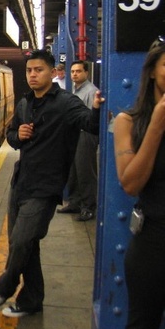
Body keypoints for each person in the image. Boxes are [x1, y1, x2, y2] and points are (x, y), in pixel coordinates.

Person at [0, 49, 103, 318]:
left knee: (21, 240)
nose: (33, 75)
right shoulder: (25, 103)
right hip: (21, 183)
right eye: (29, 70)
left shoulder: (66, 103)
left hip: (45, 187)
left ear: (52, 72)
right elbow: (10, 137)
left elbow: (89, 124)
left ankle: (5, 287)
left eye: (38, 70)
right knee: (28, 246)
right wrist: (19, 134)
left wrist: (96, 108)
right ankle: (31, 301)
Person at [113, 36, 165, 329]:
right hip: (154, 245)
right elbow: (130, 183)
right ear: (153, 72)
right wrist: (157, 124)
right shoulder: (128, 122)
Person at [57, 60, 99, 221]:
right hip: (75, 134)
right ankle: (75, 202)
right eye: (73, 71)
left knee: (85, 171)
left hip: (85, 135)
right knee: (73, 170)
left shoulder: (91, 91)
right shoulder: (75, 90)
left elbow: (91, 119)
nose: (75, 74)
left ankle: (89, 207)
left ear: (86, 73)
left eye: (79, 71)